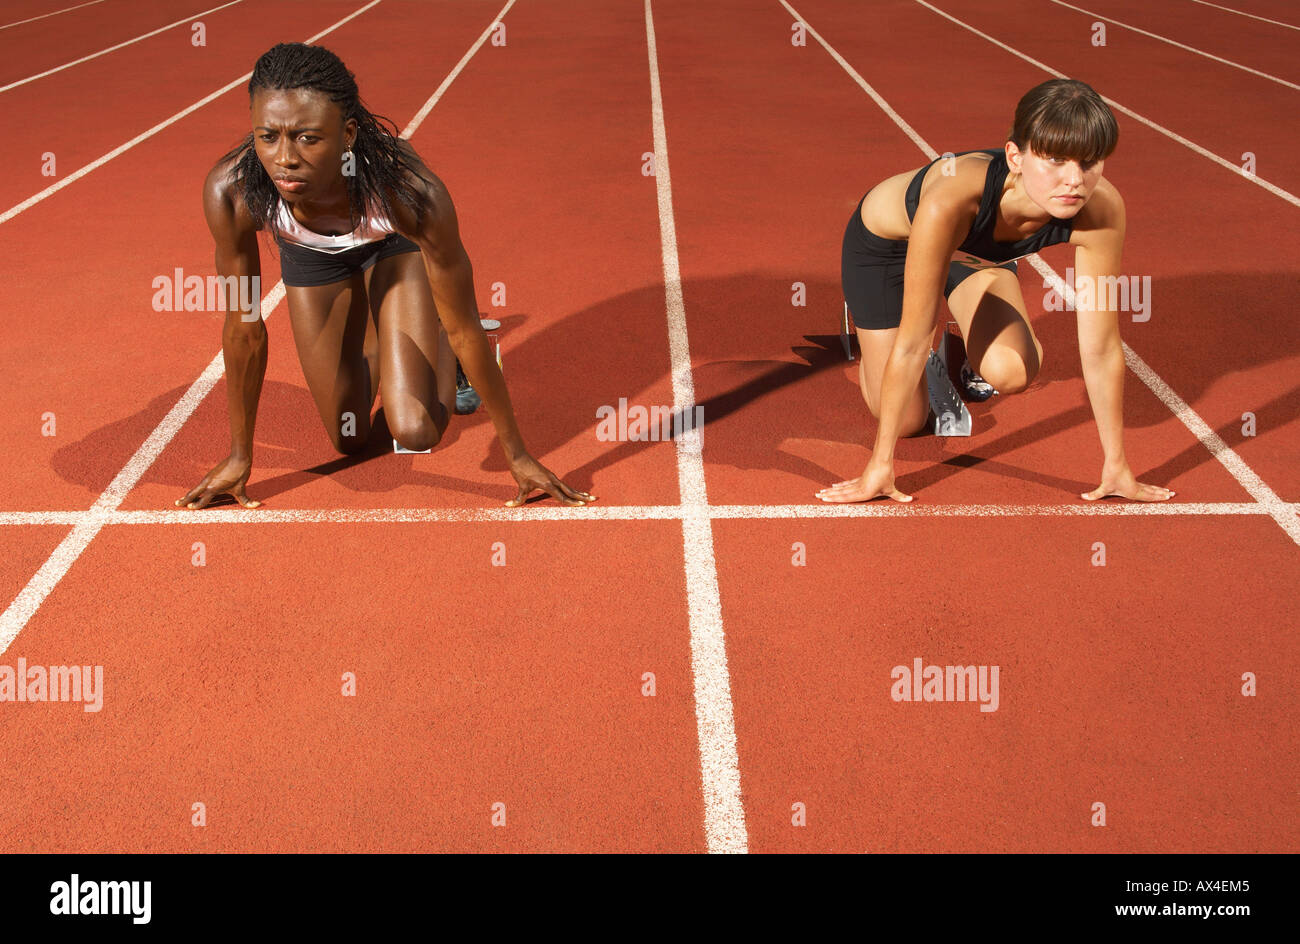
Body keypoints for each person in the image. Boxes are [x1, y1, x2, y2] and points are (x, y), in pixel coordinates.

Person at [177, 43, 594, 510]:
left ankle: (431, 341)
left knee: (414, 429)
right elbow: (244, 328)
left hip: (394, 247)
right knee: (348, 435)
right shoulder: (232, 192)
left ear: (348, 133)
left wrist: (517, 455)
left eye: (308, 138)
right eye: (268, 135)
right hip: (312, 258)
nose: (285, 158)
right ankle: (386, 325)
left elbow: (464, 325)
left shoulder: (410, 194)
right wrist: (240, 456)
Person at [818, 78, 1174, 505]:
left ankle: (967, 319)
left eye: (1090, 162)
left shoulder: (1101, 209)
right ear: (1015, 157)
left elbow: (1101, 346)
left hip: (972, 257)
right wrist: (880, 466)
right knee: (909, 420)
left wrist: (1116, 466)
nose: (1074, 180)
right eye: (1056, 160)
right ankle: (873, 328)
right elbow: (914, 342)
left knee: (1012, 371)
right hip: (889, 252)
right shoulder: (951, 198)